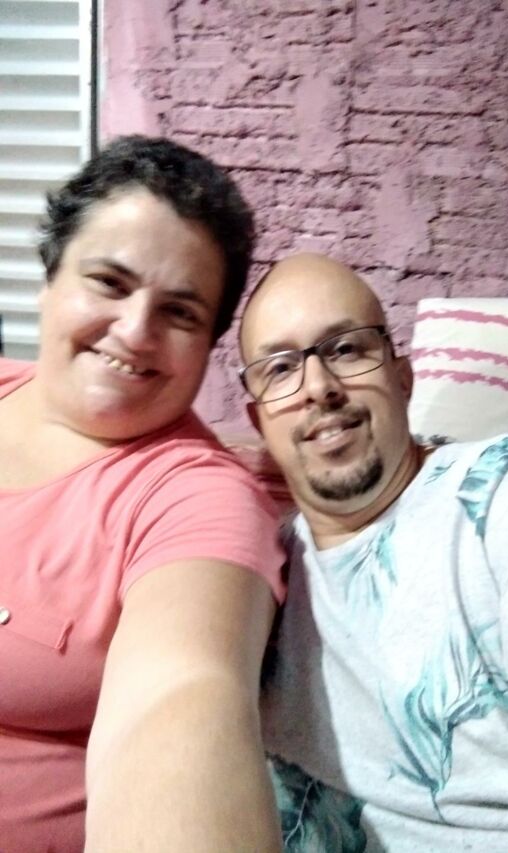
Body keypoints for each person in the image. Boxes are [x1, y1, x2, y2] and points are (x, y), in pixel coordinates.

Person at [239, 252, 508, 852]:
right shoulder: (253, 578)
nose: (319, 387)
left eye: (346, 349)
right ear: (258, 422)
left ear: (403, 379)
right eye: (280, 368)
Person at [0, 135, 285, 852]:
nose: (135, 332)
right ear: (49, 280)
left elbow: (182, 690)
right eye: (109, 282)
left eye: (180, 312)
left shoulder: (196, 496)